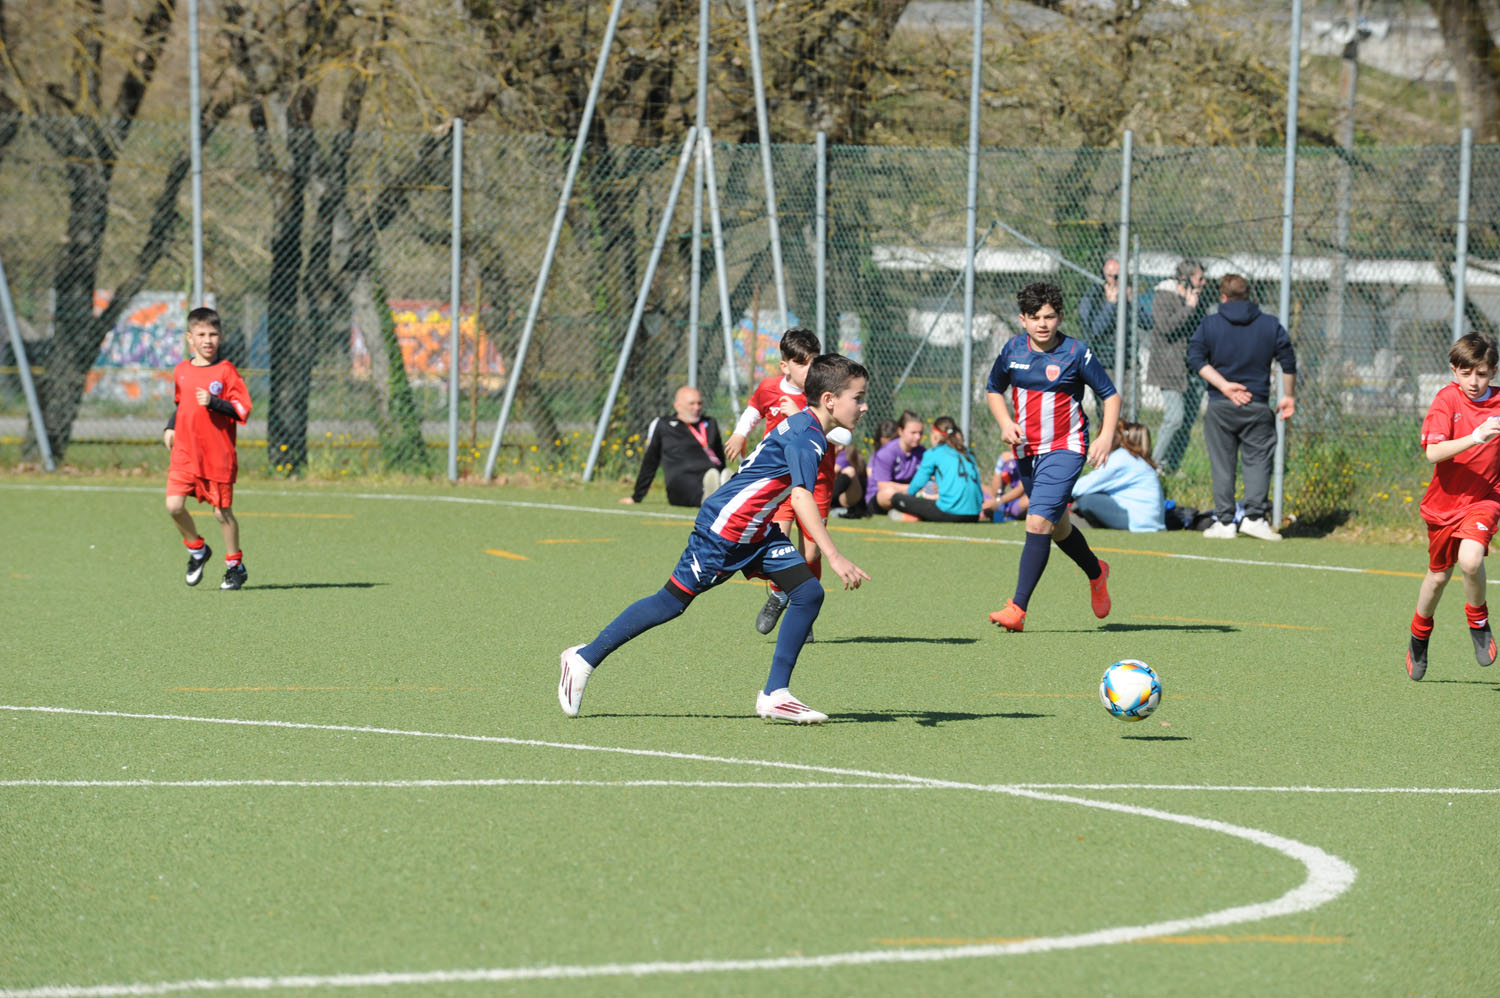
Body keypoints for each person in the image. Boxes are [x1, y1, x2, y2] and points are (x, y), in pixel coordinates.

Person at [558, 354, 872, 723]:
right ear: (830, 400)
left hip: (757, 530)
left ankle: (775, 694)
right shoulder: (808, 438)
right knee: (671, 602)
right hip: (725, 530)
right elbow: (802, 498)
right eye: (858, 398)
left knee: (808, 592)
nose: (864, 406)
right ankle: (583, 659)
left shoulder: (807, 424)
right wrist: (834, 555)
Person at [985, 281, 1119, 632]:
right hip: (1027, 451)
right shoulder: (1012, 349)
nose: (1042, 324)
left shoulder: (1075, 352)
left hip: (1066, 447)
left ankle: (1017, 609)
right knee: (1058, 527)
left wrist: (1105, 436)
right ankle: (1096, 571)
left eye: (1049, 316)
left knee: (1037, 522)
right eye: (1035, 317)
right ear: (1023, 319)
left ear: (1059, 317)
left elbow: (1110, 395)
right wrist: (1005, 423)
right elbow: (994, 389)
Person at [724, 328, 842, 635]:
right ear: (785, 365)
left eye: (813, 362)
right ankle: (780, 594)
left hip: (816, 482)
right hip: (780, 484)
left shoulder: (824, 395)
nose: (808, 369)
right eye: (801, 363)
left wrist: (801, 415)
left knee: (811, 553)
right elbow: (754, 408)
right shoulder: (769, 388)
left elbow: (843, 434)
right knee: (779, 545)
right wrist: (740, 433)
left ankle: (802, 607)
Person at [1404, 332, 1500, 681]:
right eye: (1466, 373)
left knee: (1471, 560)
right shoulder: (1446, 400)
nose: (1474, 382)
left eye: (1482, 374)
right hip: (1444, 505)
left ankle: (1478, 619)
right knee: (1438, 577)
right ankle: (1419, 634)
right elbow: (1433, 453)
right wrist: (1476, 436)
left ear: (1493, 372)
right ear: (1453, 371)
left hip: (1485, 498)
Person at [1186, 273, 1297, 541]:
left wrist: (1224, 386)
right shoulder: (1270, 324)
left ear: (1223, 297)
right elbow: (1288, 360)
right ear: (1248, 296)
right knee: (1258, 461)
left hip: (1220, 405)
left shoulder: (1210, 324)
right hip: (1257, 404)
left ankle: (1225, 522)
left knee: (1222, 464)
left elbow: (1195, 357)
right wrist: (1288, 396)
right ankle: (1254, 518)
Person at [162, 306, 252, 590]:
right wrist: (170, 426)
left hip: (217, 456)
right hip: (185, 452)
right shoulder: (181, 370)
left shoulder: (226, 371)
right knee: (174, 505)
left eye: (213, 334)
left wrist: (214, 402)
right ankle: (198, 549)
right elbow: (182, 403)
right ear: (190, 338)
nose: (208, 340)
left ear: (220, 336)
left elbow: (242, 409)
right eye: (201, 335)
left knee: (221, 513)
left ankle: (235, 566)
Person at [1146, 259, 1208, 473]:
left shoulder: (1199, 298)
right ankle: (1153, 464)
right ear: (1184, 278)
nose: (1203, 282)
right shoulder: (1165, 296)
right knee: (1174, 418)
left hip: (1192, 368)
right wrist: (1189, 308)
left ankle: (1171, 467)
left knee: (1187, 421)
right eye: (1199, 278)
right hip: (1169, 367)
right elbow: (1166, 327)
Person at [620, 385, 727, 507]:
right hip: (681, 481)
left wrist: (722, 472)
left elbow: (719, 457)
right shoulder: (664, 425)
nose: (697, 408)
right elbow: (650, 461)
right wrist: (637, 496)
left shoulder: (710, 423)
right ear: (677, 406)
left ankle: (721, 488)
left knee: (718, 477)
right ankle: (711, 497)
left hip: (710, 474)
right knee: (693, 486)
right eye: (692, 404)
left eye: (699, 403)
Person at [1071, 421, 1166, 532]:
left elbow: (1081, 487)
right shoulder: (1129, 457)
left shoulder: (1121, 458)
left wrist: (1056, 491)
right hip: (1149, 520)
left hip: (1140, 521)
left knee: (1086, 500)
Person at [889, 416, 986, 522]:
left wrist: (909, 499)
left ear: (935, 434)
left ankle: (913, 517)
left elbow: (916, 485)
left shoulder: (934, 453)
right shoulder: (968, 453)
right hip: (974, 515)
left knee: (896, 499)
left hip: (951, 513)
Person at [864, 410, 925, 515]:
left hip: (910, 494)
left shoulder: (922, 452)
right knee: (888, 494)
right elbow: (883, 485)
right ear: (900, 431)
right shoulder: (886, 453)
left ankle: (906, 511)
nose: (918, 437)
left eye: (920, 433)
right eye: (913, 433)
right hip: (881, 498)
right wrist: (913, 488)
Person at [1076, 255, 1124, 374]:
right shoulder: (1092, 297)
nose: (1114, 280)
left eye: (1118, 276)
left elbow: (1147, 323)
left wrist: (1132, 301)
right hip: (1101, 361)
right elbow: (1096, 329)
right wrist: (1110, 304)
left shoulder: (1126, 294)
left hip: (1126, 360)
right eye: (1110, 276)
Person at [988, 449, 1028, 522]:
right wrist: (1000, 464)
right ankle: (1002, 511)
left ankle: (1005, 511)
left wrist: (998, 502)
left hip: (1024, 499)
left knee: (1029, 500)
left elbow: (1021, 489)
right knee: (981, 489)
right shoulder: (1009, 460)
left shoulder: (1029, 456)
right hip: (1012, 500)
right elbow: (996, 491)